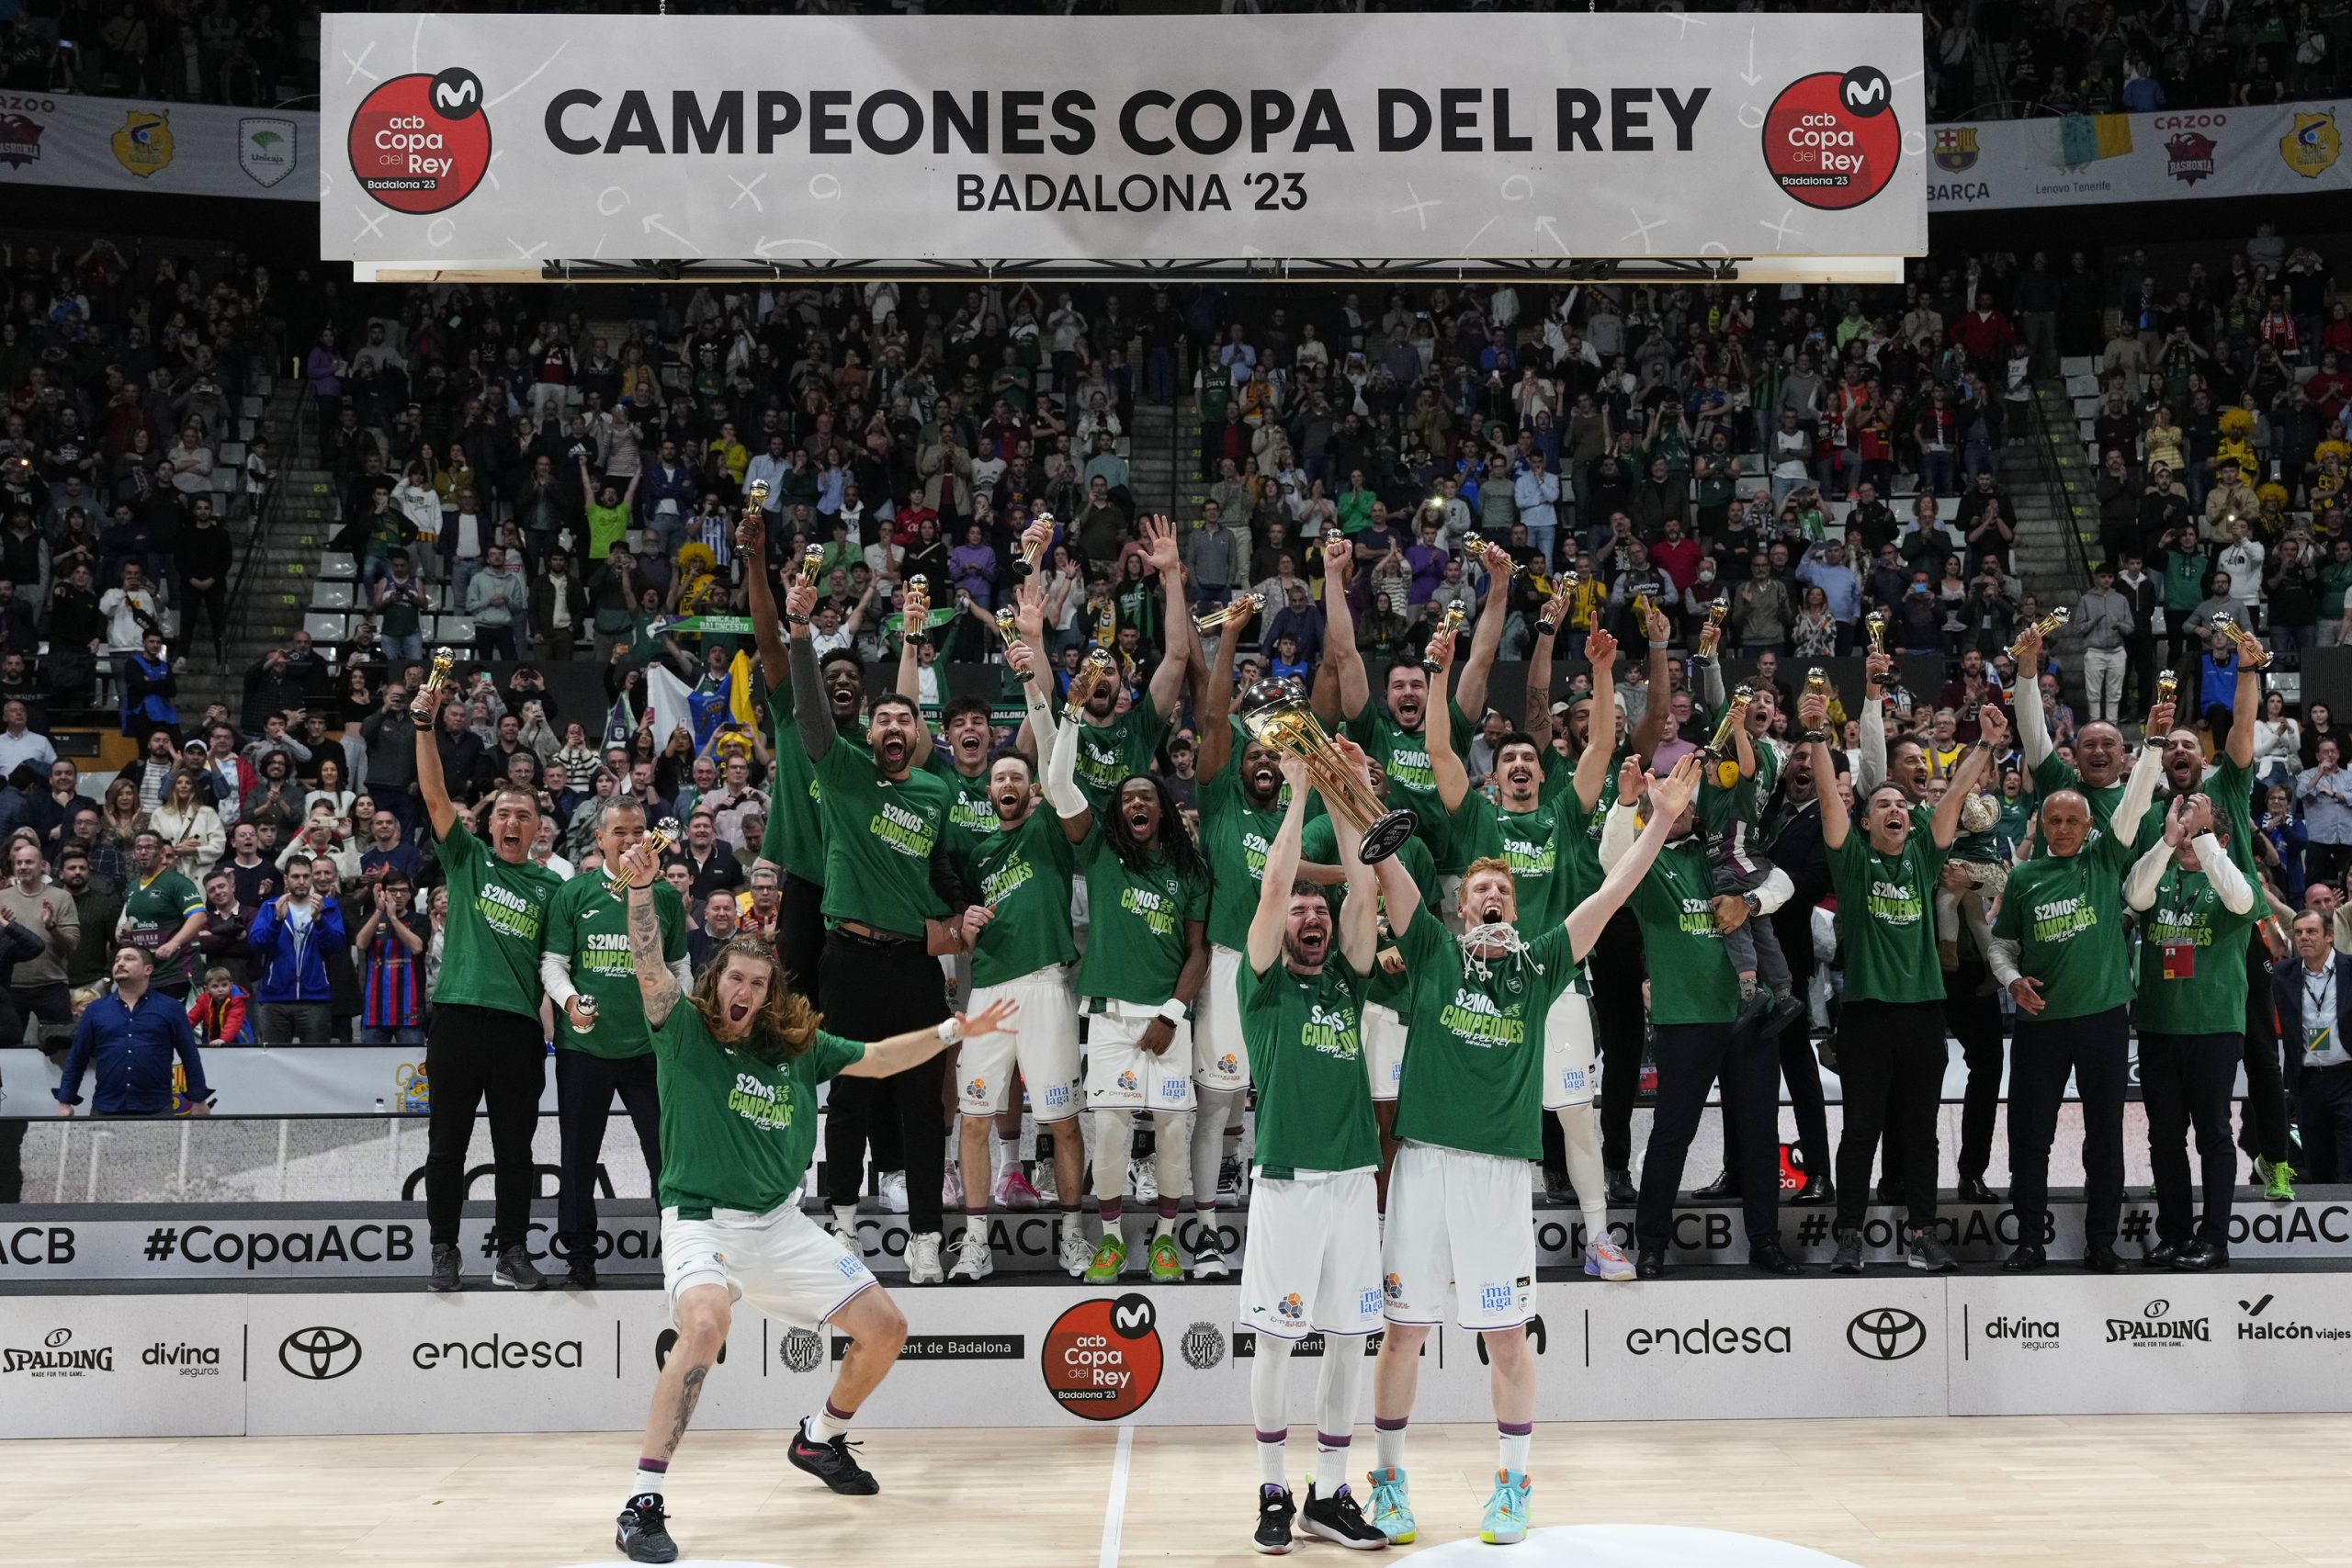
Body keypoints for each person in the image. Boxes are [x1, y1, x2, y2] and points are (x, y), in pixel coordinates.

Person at [606, 829, 1017, 1565]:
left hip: (780, 1224)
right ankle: (643, 1501)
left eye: (758, 985)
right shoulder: (683, 1033)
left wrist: (958, 1027)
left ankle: (818, 1439)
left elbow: (884, 1056)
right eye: (734, 979)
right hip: (701, 1220)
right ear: (715, 982)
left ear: (772, 996)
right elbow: (645, 965)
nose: (745, 992)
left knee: (887, 1327)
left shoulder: (798, 1049)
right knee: (704, 1326)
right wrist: (640, 890)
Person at [1362, 751, 1699, 1547]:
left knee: (1506, 1336)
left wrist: (1658, 820)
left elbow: (1613, 894)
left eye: (1505, 891)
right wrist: (1345, 784)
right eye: (1481, 890)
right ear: (1459, 906)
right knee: (1404, 1330)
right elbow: (1383, 864)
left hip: (1499, 1175)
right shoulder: (1434, 954)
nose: (1493, 898)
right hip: (1425, 1166)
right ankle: (1388, 1479)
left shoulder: (1540, 965)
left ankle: (1512, 1483)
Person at [1426, 623, 1633, 1280]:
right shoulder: (1479, 820)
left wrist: (1603, 671)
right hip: (1485, 991)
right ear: (1496, 775)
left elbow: (1601, 742)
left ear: (1544, 771)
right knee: (1482, 1119)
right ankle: (1474, 1244)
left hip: (1557, 985)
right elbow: (1437, 749)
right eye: (1508, 759)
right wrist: (1440, 673)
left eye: (1528, 759)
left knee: (1575, 1114)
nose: (1518, 764)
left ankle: (1599, 1239)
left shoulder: (1564, 817)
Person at [785, 571, 970, 1285]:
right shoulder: (846, 774)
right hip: (850, 959)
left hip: (915, 968)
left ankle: (927, 1237)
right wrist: (802, 635)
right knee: (852, 1099)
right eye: (883, 720)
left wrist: (962, 921)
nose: (894, 728)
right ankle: (841, 1229)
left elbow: (949, 877)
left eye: (907, 721)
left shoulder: (936, 790)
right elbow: (808, 715)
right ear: (868, 730)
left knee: (922, 1107)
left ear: (920, 735)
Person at [1238, 745, 1391, 1554]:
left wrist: (1346, 790)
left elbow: (1363, 886)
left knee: (1345, 1342)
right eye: (1301, 910)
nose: (1312, 915)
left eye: (1317, 911)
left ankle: (1328, 1495)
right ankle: (1271, 1488)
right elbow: (1272, 885)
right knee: (1275, 1341)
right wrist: (1299, 794)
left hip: (1352, 1182)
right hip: (1290, 1182)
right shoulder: (1261, 985)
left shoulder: (1347, 981)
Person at [1800, 690, 1998, 1274]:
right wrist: (1816, 737)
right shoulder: (1853, 860)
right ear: (1866, 821)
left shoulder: (1923, 856)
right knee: (1861, 1130)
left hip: (1922, 1014)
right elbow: (1832, 806)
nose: (1894, 809)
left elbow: (1956, 793)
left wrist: (1985, 743)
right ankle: (1849, 1236)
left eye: (1900, 806)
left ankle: (1921, 1234)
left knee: (1922, 1134)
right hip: (1866, 1013)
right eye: (1881, 804)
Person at [1600, 750, 1804, 1281]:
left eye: (1686, 796)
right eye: (1666, 798)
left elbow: (1782, 884)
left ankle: (1765, 1242)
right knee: (1672, 1134)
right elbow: (1612, 861)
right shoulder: (1648, 867)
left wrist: (1751, 905)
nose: (1680, 803)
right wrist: (1627, 805)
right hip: (1685, 1018)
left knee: (1760, 1133)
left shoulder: (1721, 854)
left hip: (1751, 1016)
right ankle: (1651, 1246)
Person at [1046, 679, 1212, 1282]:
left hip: (1168, 1016)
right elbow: (1059, 784)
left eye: (1148, 796)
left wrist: (1172, 1011)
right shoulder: (1100, 851)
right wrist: (1069, 711)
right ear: (1119, 811)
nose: (1137, 803)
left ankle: (1167, 1238)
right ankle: (1111, 1238)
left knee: (1172, 1131)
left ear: (1163, 808)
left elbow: (1201, 951)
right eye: (1128, 798)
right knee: (1110, 1133)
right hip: (1111, 1016)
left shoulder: (1188, 869)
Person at [1987, 704, 2164, 1273]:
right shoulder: (2023, 877)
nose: (2062, 829)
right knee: (2030, 1138)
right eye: (2054, 821)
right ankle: (2030, 1242)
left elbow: (2134, 806)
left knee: (2103, 1138)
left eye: (2073, 822)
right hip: (2040, 1023)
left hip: (2103, 1018)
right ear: (2041, 822)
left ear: (2090, 828)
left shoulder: (2107, 857)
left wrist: (2154, 745)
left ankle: (2102, 1244)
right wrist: (2011, 981)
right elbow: (2000, 945)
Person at [945, 587, 1089, 1281]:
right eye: (998, 777)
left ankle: (1072, 1233)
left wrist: (1033, 663)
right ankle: (975, 1241)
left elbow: (1055, 748)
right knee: (972, 1120)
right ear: (989, 790)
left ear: (1031, 791)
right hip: (989, 995)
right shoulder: (974, 853)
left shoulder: (1048, 828)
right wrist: (963, 924)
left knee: (1061, 1120)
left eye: (1017, 776)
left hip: (1047, 985)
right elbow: (956, 923)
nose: (1007, 782)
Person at [412, 675, 568, 1293]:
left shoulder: (554, 889)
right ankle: (444, 1249)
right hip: (456, 1018)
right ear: (491, 821)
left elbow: (559, 966)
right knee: (446, 1145)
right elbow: (432, 792)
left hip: (519, 1031)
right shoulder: (468, 859)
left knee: (515, 1152)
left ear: (538, 830)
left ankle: (509, 1252)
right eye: (503, 812)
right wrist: (424, 728)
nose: (512, 821)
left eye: (523, 816)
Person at [540, 796, 689, 1290]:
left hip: (650, 1050)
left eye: (639, 830)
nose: (631, 840)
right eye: (619, 831)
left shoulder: (665, 897)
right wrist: (568, 1002)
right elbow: (554, 964)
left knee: (667, 1159)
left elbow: (681, 969)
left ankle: (683, 1258)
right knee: (577, 1158)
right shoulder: (574, 893)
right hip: (585, 1049)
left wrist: (679, 1016)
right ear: (600, 839)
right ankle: (580, 1260)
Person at [2126, 793, 2259, 1270]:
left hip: (2214, 1028)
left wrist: (2204, 842)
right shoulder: (2159, 879)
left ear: (2220, 840)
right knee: (2164, 1138)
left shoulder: (2234, 882)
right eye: (2185, 830)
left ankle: (2215, 1240)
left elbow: (2244, 902)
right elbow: (2133, 896)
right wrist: (2166, 841)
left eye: (2198, 831)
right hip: (2160, 1027)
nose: (2188, 839)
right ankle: (2175, 1235)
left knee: (2213, 1135)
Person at [52, 945, 211, 1117]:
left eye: (129, 959)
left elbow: (190, 1055)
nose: (120, 963)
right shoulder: (96, 1009)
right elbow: (77, 1057)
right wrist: (64, 1101)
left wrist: (199, 1100)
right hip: (106, 1108)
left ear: (148, 969)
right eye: (117, 960)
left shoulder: (171, 1008)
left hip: (157, 1109)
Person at [2273, 911, 2352, 1185]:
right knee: (2318, 1169)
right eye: (2298, 932)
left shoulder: (2350, 969)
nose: (2304, 937)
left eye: (2311, 931)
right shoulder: (2284, 975)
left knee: (2349, 1170)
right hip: (2307, 1083)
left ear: (2329, 935)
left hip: (2347, 1079)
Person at [247, 853, 345, 1043]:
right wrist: (276, 921)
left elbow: (337, 945)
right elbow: (256, 944)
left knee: (315, 1063)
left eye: (306, 876)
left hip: (315, 998)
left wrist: (319, 921)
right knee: (274, 1063)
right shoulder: (270, 907)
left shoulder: (328, 907)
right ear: (286, 879)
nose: (301, 881)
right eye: (295, 876)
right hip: (274, 998)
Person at [116, 829, 206, 1002]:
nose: (143, 852)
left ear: (162, 852)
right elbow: (138, 920)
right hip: (146, 975)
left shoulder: (177, 882)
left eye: (149, 848)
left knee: (182, 1027)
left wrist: (173, 943)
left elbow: (199, 917)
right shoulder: (133, 887)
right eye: (139, 848)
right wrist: (128, 932)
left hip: (178, 973)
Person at [0, 837, 76, 1032]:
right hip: (11, 989)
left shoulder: (61, 897)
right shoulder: (2, 898)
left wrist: (52, 926)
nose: (23, 866)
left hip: (52, 985)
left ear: (42, 866)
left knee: (61, 1046)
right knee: (8, 1050)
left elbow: (72, 945)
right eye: (19, 862)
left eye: (29, 862)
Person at [355, 873, 427, 1045]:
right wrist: (380, 911)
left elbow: (417, 947)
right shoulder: (371, 919)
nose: (399, 896)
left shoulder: (420, 920)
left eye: (403, 891)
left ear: (410, 894)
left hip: (410, 1013)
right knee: (370, 1069)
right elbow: (361, 943)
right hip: (375, 1013)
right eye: (393, 891)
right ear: (383, 893)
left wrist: (393, 917)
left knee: (410, 1069)